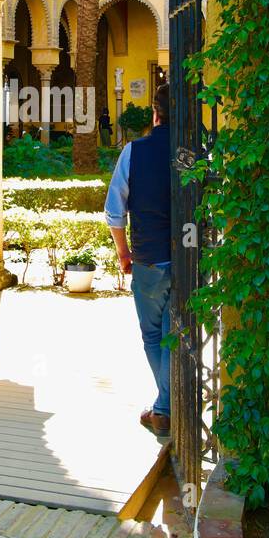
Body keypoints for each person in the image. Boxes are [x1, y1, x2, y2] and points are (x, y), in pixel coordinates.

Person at [104, 82, 171, 439]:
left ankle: (164, 409)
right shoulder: (194, 151)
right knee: (178, 335)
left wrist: (123, 254)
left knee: (153, 335)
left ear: (154, 114)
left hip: (147, 261)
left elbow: (115, 213)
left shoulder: (134, 152)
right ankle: (168, 404)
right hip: (188, 261)